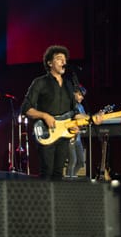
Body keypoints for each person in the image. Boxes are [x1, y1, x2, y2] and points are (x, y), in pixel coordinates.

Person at [21, 45, 102, 179]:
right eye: (59, 59)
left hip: (63, 135)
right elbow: (25, 108)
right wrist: (44, 115)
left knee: (58, 173)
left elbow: (74, 112)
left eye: (64, 59)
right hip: (46, 132)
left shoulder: (69, 85)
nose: (63, 62)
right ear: (49, 63)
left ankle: (56, 200)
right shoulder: (40, 82)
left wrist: (92, 118)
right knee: (47, 171)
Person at [67, 84, 88, 178]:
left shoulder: (81, 107)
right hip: (69, 136)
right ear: (74, 93)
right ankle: (68, 181)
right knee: (73, 160)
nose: (82, 97)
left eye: (83, 95)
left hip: (78, 138)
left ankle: (72, 177)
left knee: (81, 162)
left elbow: (84, 121)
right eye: (80, 94)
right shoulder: (69, 104)